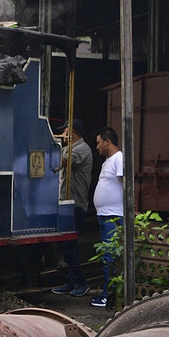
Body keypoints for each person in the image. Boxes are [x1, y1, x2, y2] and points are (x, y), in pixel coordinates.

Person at [52, 119, 93, 296]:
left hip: (76, 203)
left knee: (70, 245)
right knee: (65, 245)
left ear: (73, 132)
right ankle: (70, 280)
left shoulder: (82, 149)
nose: (63, 134)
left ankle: (80, 282)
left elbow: (61, 162)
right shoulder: (69, 149)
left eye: (65, 131)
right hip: (67, 203)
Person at [91, 127, 124, 308]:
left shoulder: (118, 158)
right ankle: (107, 294)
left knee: (110, 256)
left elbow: (126, 183)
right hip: (104, 215)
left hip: (113, 215)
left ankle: (108, 296)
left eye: (98, 142)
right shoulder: (107, 162)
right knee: (106, 255)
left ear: (107, 141)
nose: (97, 147)